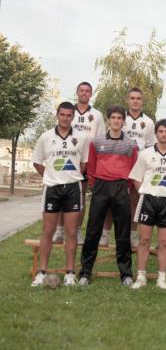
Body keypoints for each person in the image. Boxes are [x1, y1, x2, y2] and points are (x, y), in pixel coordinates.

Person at [31, 102, 89, 286]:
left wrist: (70, 176)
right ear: (57, 115)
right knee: (48, 231)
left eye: (68, 115)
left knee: (71, 232)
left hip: (73, 188)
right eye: (62, 115)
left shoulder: (82, 137)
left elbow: (84, 163)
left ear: (73, 117)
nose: (65, 118)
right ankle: (41, 272)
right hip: (52, 188)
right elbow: (37, 161)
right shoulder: (45, 137)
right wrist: (50, 176)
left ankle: (70, 273)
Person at [78, 106, 138, 286]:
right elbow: (91, 168)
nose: (116, 121)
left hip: (121, 187)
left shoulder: (130, 144)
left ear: (123, 121)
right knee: (93, 231)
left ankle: (126, 274)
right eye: (113, 117)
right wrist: (97, 185)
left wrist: (123, 185)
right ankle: (85, 273)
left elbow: (134, 169)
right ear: (108, 120)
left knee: (122, 232)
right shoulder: (96, 142)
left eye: (120, 118)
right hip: (101, 187)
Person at [130, 119, 166, 290]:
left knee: (164, 242)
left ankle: (162, 278)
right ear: (156, 133)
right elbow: (136, 178)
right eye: (161, 131)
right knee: (144, 239)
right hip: (148, 201)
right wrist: (147, 191)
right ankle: (141, 277)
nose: (164, 134)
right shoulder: (145, 154)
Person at [52, 82, 105, 245]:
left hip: (86, 160)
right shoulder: (67, 111)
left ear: (91, 94)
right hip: (68, 159)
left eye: (87, 91)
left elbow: (100, 140)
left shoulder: (97, 115)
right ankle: (60, 231)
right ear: (76, 92)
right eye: (81, 90)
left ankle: (78, 232)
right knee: (62, 195)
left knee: (80, 197)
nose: (84, 93)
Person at [102, 87, 155, 248]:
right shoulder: (120, 118)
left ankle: (132, 235)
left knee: (135, 201)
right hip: (119, 165)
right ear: (128, 100)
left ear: (142, 101)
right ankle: (105, 234)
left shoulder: (149, 122)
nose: (135, 101)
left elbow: (151, 146)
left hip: (139, 166)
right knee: (112, 201)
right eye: (132, 98)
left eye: (138, 98)